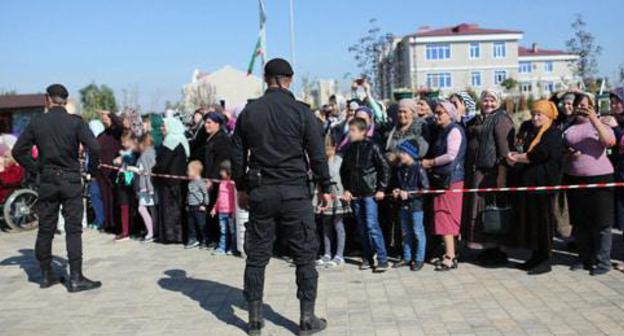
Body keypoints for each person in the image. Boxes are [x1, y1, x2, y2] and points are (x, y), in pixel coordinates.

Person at [231, 58, 330, 335]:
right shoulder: (302, 112)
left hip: (261, 192)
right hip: (295, 193)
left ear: (266, 78)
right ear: (289, 79)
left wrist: (241, 188)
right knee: (304, 256)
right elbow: (317, 155)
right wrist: (326, 187)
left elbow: (237, 154)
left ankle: (253, 319)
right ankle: (307, 318)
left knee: (257, 256)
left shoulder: (250, 112)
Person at [12, 84, 101, 292]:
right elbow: (94, 147)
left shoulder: (37, 123)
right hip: (70, 181)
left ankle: (46, 275)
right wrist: (91, 170)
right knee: (73, 230)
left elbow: (18, 151)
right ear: (65, 100)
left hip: (48, 181)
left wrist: (36, 169)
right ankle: (76, 277)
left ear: (48, 99)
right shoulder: (75, 122)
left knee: (46, 229)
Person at [507, 100, 563, 275]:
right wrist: (516, 154)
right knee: (533, 223)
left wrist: (517, 157)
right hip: (530, 185)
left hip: (544, 186)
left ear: (549, 117)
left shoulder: (553, 133)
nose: (535, 118)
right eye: (533, 114)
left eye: (539, 115)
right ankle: (535, 256)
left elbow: (539, 154)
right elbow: (522, 147)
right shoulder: (531, 130)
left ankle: (545, 260)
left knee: (543, 223)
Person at [563, 93, 615, 276]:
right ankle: (584, 257)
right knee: (580, 222)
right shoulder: (569, 127)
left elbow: (609, 142)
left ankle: (603, 261)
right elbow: (561, 148)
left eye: (588, 105)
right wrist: (567, 152)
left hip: (600, 177)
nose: (583, 108)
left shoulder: (602, 123)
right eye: (580, 105)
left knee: (602, 223)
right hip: (575, 178)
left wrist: (594, 119)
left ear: (593, 107)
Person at [462, 89, 515, 266]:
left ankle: (498, 250)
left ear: (498, 102)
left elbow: (505, 151)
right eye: (485, 100)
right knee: (480, 211)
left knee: (493, 211)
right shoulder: (479, 119)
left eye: (492, 101)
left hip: (493, 173)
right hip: (478, 173)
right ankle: (487, 247)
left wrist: (502, 175)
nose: (489, 104)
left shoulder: (501, 120)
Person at [340, 117, 391, 272]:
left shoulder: (373, 146)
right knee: (361, 228)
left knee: (372, 226)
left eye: (353, 130)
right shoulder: (349, 149)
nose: (350, 133)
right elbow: (344, 172)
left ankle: (382, 259)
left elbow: (385, 168)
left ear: (363, 131)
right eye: (349, 130)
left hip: (370, 193)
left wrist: (381, 188)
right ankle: (367, 257)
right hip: (356, 194)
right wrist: (347, 189)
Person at [422, 101, 467, 271]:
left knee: (445, 217)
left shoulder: (454, 130)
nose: (437, 115)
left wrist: (430, 162)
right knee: (444, 217)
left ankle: (449, 257)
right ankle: (452, 252)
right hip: (445, 179)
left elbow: (451, 155)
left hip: (451, 180)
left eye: (441, 112)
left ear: (450, 113)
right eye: (436, 112)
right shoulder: (443, 130)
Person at [391, 140, 428, 271]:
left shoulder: (418, 168)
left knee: (418, 232)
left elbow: (425, 189)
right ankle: (407, 257)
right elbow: (399, 186)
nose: (400, 155)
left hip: (416, 206)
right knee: (405, 232)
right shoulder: (400, 169)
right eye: (400, 152)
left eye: (404, 153)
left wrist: (410, 195)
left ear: (411, 154)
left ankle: (419, 259)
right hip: (403, 205)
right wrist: (396, 191)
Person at [153, 117, 189, 244]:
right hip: (177, 182)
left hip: (170, 183)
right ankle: (177, 235)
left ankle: (171, 236)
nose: (162, 128)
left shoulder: (170, 142)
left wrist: (154, 170)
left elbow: (163, 164)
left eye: (164, 126)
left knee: (170, 211)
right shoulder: (181, 140)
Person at [315, 136, 348, 268]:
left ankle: (339, 255)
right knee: (326, 224)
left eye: (328, 148)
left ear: (334, 147)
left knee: (338, 225)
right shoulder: (322, 161)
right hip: (326, 196)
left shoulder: (339, 160)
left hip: (338, 195)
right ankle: (327, 253)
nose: (326, 151)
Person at [199, 111, 232, 247]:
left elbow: (220, 161)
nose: (206, 125)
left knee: (216, 209)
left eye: (209, 122)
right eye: (205, 122)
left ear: (217, 124)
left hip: (218, 180)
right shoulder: (210, 138)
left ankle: (218, 238)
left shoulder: (222, 139)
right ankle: (212, 236)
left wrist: (212, 179)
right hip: (209, 176)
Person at [96, 109, 123, 233]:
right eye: (103, 118)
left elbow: (120, 124)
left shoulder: (116, 132)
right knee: (105, 199)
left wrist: (110, 113)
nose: (104, 119)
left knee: (115, 199)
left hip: (113, 172)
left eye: (107, 117)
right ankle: (108, 224)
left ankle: (117, 226)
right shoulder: (102, 135)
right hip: (102, 173)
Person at [131, 133, 158, 243]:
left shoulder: (146, 155)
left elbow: (146, 171)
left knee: (142, 208)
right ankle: (153, 231)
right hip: (148, 186)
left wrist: (132, 169)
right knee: (152, 209)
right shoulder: (151, 153)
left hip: (146, 187)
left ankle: (151, 232)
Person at [112, 133, 138, 241]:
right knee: (123, 206)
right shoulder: (126, 152)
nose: (122, 144)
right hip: (122, 180)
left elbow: (132, 161)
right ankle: (125, 229)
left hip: (129, 181)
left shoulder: (134, 152)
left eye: (125, 141)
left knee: (127, 206)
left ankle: (127, 231)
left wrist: (123, 157)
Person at [212, 160, 236, 255]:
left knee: (232, 232)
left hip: (230, 212)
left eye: (222, 170)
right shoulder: (221, 183)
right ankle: (222, 248)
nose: (220, 172)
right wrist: (215, 208)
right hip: (221, 212)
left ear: (228, 171)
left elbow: (234, 198)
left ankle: (232, 248)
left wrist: (234, 211)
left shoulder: (232, 183)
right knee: (223, 231)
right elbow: (219, 197)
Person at [185, 160, 210, 249]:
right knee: (191, 224)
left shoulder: (201, 183)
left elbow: (205, 194)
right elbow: (189, 194)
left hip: (199, 206)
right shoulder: (190, 183)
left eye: (189, 170)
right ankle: (193, 239)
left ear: (195, 172)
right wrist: (187, 204)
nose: (187, 172)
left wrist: (204, 204)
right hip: (191, 206)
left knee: (201, 224)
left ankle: (204, 239)